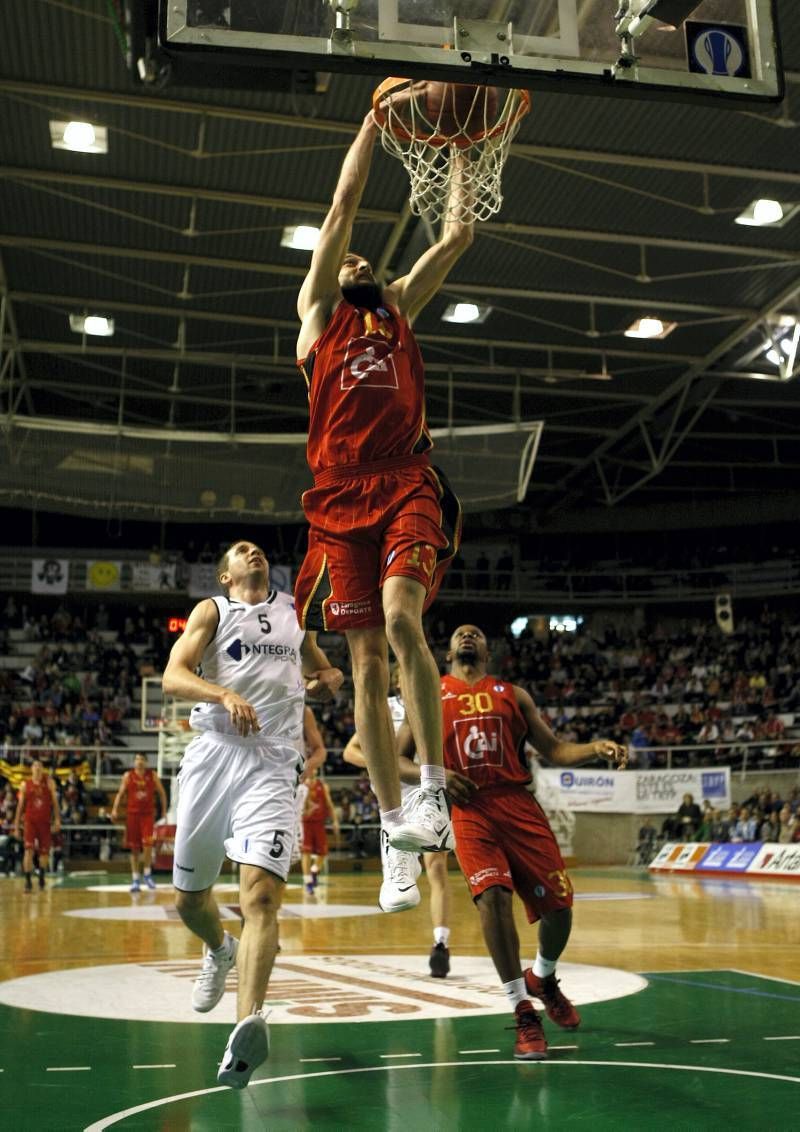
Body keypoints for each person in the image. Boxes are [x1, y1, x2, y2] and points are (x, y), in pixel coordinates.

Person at [293, 109, 473, 862]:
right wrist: (371, 120)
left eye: (368, 263)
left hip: (404, 480)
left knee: (404, 624)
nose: (358, 264)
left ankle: (431, 786)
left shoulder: (397, 308)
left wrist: (468, 148)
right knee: (365, 661)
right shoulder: (315, 322)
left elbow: (458, 235)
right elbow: (342, 205)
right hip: (338, 495)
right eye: (348, 263)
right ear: (332, 278)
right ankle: (395, 819)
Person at [398, 624, 628, 1059]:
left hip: (519, 805)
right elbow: (396, 761)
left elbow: (556, 750)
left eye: (476, 634)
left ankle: (544, 976)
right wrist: (440, 776)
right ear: (447, 653)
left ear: (487, 650)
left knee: (559, 908)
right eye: (460, 633)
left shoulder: (513, 694)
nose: (467, 635)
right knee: (493, 900)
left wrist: (596, 747)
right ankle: (522, 1008)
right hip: (471, 810)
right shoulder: (428, 693)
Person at [161, 538, 342, 1089]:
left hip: (273, 760)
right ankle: (219, 949)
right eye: (241, 550)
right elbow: (173, 676)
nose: (252, 551)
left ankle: (246, 1030)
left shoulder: (294, 611)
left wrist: (328, 679)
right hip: (214, 754)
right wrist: (221, 696)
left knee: (261, 897)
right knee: (189, 901)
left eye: (258, 548)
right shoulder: (212, 611)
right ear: (225, 574)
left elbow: (322, 672)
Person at [344, 666, 459, 977]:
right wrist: (383, 763)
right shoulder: (387, 707)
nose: (401, 680)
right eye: (398, 676)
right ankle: (398, 851)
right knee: (410, 872)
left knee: (437, 868)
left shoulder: (430, 702)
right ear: (394, 681)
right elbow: (349, 751)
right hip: (395, 790)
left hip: (425, 792)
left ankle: (440, 942)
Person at [111, 753, 168, 892]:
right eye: (137, 759)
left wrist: (164, 811)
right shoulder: (128, 776)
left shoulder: (152, 775)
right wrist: (114, 809)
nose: (139, 762)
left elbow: (162, 793)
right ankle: (135, 878)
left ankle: (147, 874)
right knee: (135, 848)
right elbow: (120, 793)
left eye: (142, 759)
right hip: (132, 816)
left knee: (148, 845)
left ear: (146, 762)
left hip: (147, 816)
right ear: (134, 762)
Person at [13, 759, 60, 892]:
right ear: (31, 769)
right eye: (35, 766)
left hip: (45, 823)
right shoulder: (25, 785)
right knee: (28, 850)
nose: (37, 768)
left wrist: (57, 820)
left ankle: (41, 876)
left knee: (44, 853)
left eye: (40, 766)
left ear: (43, 768)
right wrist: (16, 826)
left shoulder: (49, 783)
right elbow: (20, 807)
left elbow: (55, 804)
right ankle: (28, 881)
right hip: (30, 822)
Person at [300, 768, 340, 894]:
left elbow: (329, 805)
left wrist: (335, 821)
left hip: (319, 823)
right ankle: (308, 882)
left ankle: (314, 870)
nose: (313, 770)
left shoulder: (323, 786)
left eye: (315, 768)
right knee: (306, 852)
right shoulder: (301, 787)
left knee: (323, 853)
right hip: (305, 823)